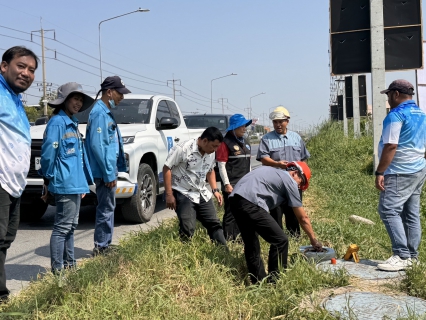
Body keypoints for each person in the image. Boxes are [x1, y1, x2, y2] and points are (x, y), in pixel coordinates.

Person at [229, 162, 322, 284]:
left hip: (235, 200)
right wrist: (313, 239)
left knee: (251, 243)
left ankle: (258, 283)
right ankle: (275, 281)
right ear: (295, 173)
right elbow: (303, 217)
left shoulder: (272, 172)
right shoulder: (289, 181)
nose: (299, 186)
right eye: (301, 182)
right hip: (251, 203)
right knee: (280, 240)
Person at [40, 83, 94, 273]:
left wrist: (82, 185)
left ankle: (70, 266)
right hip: (64, 183)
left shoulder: (72, 122)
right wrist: (48, 179)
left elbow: (78, 158)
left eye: (80, 100)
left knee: (70, 227)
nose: (78, 103)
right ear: (64, 101)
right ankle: (58, 271)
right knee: (62, 228)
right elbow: (48, 155)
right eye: (75, 99)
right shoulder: (57, 123)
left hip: (75, 184)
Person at [375, 79, 426, 271]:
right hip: (419, 168)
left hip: (399, 171)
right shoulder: (422, 114)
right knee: (411, 213)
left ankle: (401, 254)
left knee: (388, 210)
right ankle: (412, 256)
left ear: (396, 94)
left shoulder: (396, 115)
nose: (388, 99)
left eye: (388, 95)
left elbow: (391, 145)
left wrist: (380, 172)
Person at [0, 46, 38, 302]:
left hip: (14, 184)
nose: (26, 73)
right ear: (4, 66)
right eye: (21, 66)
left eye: (31, 70)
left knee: (5, 240)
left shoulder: (14, 98)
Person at [85, 76, 130, 255]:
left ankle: (105, 244)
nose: (122, 97)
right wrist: (108, 173)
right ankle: (102, 246)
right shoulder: (99, 113)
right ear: (109, 92)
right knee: (105, 208)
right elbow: (98, 146)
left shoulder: (104, 111)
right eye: (120, 93)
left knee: (108, 207)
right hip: (104, 172)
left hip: (107, 170)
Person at [163, 127, 227, 246]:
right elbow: (167, 168)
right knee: (188, 227)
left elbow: (210, 170)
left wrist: (215, 190)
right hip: (183, 191)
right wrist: (169, 194)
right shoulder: (183, 149)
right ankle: (186, 253)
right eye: (214, 146)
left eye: (217, 146)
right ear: (205, 141)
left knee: (214, 223)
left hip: (201, 191)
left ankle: (223, 252)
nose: (215, 150)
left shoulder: (210, 153)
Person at [256, 106, 310, 237]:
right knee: (276, 213)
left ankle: (295, 237)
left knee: (293, 211)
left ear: (287, 121)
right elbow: (263, 158)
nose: (278, 125)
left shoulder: (296, 138)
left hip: (294, 183)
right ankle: (278, 239)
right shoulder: (267, 139)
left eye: (281, 121)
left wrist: (303, 179)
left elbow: (303, 160)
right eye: (275, 122)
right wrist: (276, 164)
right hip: (276, 185)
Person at [216, 114, 252, 240]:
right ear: (234, 128)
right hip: (232, 184)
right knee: (231, 212)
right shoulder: (225, 143)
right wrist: (226, 184)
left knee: (243, 211)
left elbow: (248, 164)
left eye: (245, 126)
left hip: (245, 183)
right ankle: (229, 238)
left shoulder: (245, 143)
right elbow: (221, 165)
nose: (244, 128)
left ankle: (240, 236)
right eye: (241, 126)